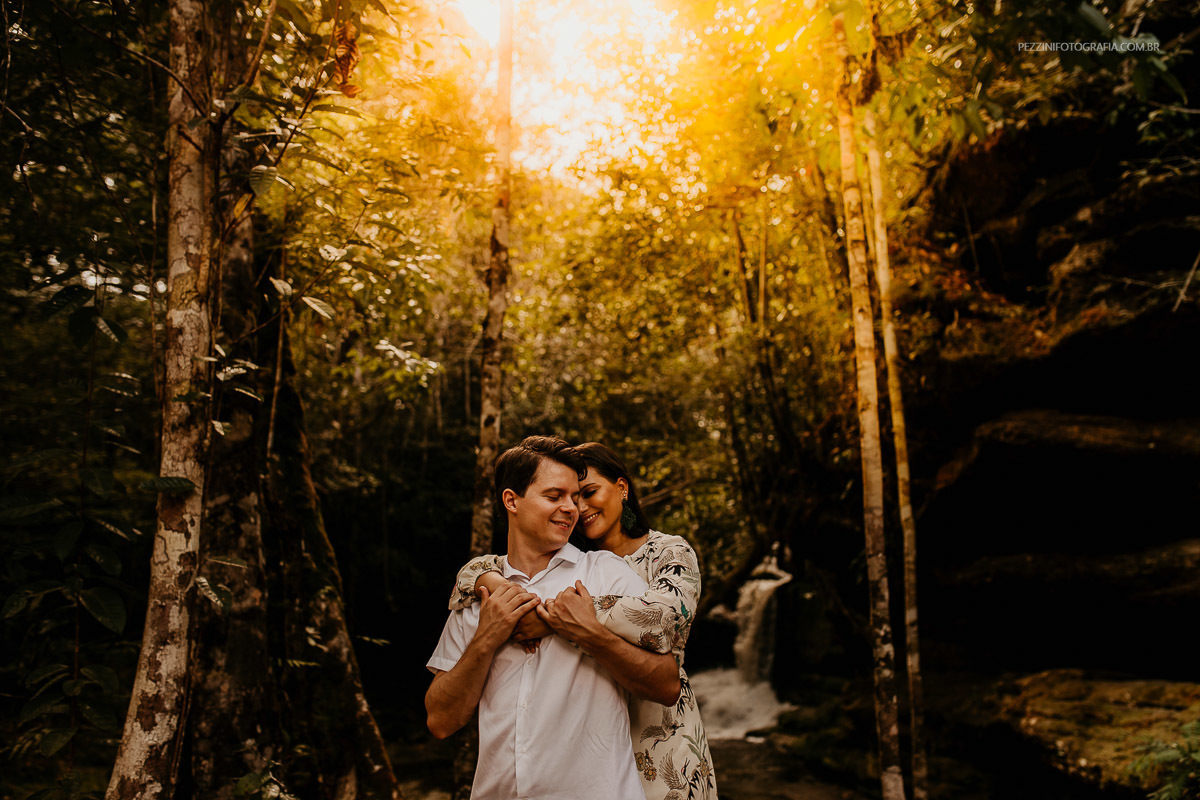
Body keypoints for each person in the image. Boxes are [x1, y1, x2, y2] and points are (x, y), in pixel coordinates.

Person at [450, 442, 718, 800]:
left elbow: (662, 619)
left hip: (660, 739)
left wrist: (551, 618)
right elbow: (472, 574)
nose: (579, 507)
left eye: (588, 493)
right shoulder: (572, 564)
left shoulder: (667, 552)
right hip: (593, 754)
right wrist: (487, 579)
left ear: (622, 488)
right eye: (573, 497)